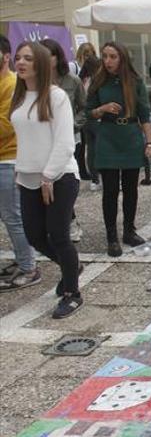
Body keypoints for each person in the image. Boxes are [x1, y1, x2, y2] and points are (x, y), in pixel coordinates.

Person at [8, 41, 84, 318]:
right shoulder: (19, 97)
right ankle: (71, 267)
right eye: (18, 58)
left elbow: (65, 142)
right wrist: (22, 169)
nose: (21, 62)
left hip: (58, 177)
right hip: (27, 178)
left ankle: (72, 293)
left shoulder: (56, 96)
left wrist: (48, 176)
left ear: (40, 62)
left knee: (59, 236)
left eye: (27, 58)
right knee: (35, 236)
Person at [87, 42, 151, 256]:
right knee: (110, 190)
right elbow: (88, 112)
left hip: (130, 137)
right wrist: (102, 108)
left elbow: (145, 114)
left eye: (113, 56)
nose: (108, 61)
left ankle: (129, 230)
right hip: (107, 136)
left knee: (131, 189)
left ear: (122, 58)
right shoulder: (98, 82)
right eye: (105, 56)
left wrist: (150, 143)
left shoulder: (135, 82)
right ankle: (111, 237)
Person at [0, 34, 39, 292]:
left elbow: (5, 125)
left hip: (9, 158)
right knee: (9, 216)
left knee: (14, 217)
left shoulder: (12, 84)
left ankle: (29, 268)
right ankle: (21, 259)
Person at [40, 38, 87, 243]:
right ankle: (57, 222)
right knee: (47, 183)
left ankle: (69, 220)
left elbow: (84, 108)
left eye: (47, 54)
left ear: (57, 57)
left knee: (64, 180)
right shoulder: (34, 82)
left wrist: (72, 124)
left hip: (69, 139)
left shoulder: (72, 80)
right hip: (43, 141)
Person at [78, 56, 102, 191]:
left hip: (85, 120)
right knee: (100, 149)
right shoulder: (96, 81)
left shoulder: (82, 81)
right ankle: (100, 177)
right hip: (96, 117)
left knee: (91, 149)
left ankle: (94, 179)